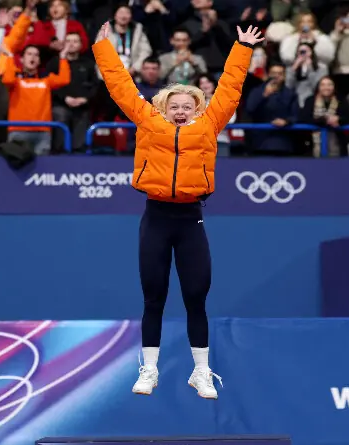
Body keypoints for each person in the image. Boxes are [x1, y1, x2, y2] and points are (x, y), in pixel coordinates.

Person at [91, 22, 264, 399]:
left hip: (191, 219)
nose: (181, 110)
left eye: (188, 106)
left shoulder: (209, 125)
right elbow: (120, 87)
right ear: (163, 108)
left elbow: (230, 89)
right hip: (155, 217)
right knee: (154, 296)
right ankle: (149, 370)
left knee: (195, 295)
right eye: (175, 106)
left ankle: (201, 372)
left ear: (198, 109)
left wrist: (242, 47)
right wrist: (104, 49)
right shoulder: (147, 121)